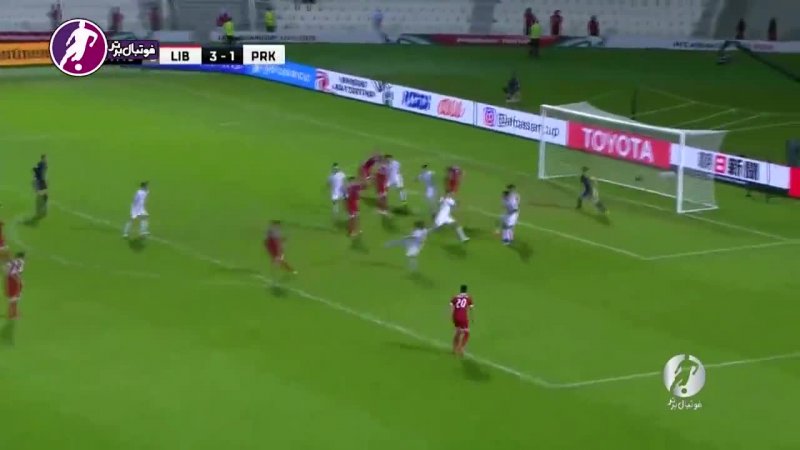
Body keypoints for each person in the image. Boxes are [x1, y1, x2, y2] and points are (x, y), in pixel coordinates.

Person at [450, 284, 473, 356]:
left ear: (460, 290)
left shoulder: (455, 297)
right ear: (466, 290)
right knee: (466, 333)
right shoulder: (468, 298)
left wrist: (451, 317)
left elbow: (451, 307)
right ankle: (461, 349)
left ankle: (454, 349)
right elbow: (471, 309)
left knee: (458, 332)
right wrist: (472, 318)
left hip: (455, 316)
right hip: (463, 317)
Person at [5, 252, 25, 320]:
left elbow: (7, 270)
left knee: (12, 298)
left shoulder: (11, 261)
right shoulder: (21, 262)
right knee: (15, 298)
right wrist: (20, 281)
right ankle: (13, 315)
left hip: (9, 279)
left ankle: (12, 314)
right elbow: (18, 272)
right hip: (14, 279)